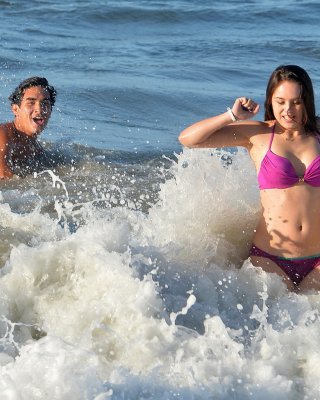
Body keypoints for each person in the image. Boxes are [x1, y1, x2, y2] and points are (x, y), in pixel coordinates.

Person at [179, 65, 320, 292]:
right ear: (270, 101)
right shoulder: (257, 134)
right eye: (280, 101)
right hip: (271, 259)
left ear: (307, 101)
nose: (288, 110)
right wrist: (232, 116)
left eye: (296, 102)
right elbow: (189, 139)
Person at [0, 76, 57, 179]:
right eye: (31, 103)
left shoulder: (36, 148)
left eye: (45, 103)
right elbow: (2, 175)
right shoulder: (3, 134)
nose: (39, 110)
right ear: (15, 109)